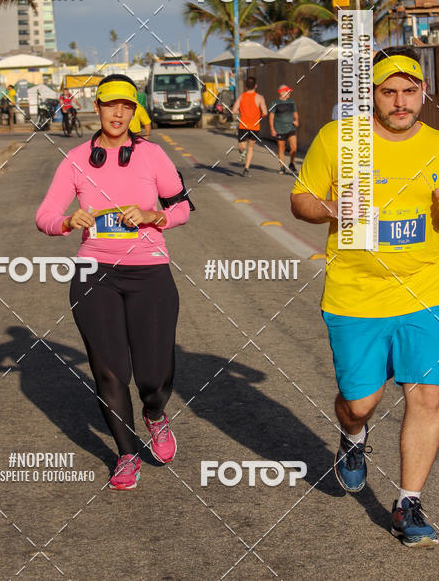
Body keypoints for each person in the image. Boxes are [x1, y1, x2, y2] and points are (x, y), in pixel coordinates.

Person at [291, 46, 439, 547]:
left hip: (427, 288)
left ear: (424, 92)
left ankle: (408, 503)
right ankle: (353, 437)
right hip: (356, 293)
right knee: (360, 403)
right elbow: (301, 200)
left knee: (427, 396)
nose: (401, 102)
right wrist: (331, 209)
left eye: (410, 90)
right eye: (389, 92)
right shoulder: (341, 139)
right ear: (373, 96)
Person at [36, 73, 193, 490]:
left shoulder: (152, 156)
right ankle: (126, 453)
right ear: (98, 107)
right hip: (94, 272)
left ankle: (155, 414)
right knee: (109, 371)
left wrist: (154, 215)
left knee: (153, 376)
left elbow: (182, 207)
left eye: (126, 105)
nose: (118, 112)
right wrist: (68, 221)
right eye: (110, 104)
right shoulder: (75, 159)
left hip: (149, 270)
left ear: (134, 109)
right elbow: (45, 215)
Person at [231, 76, 267, 175]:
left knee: (241, 146)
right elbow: (264, 112)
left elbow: (234, 111)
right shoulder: (260, 97)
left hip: (243, 126)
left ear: (246, 86)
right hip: (255, 127)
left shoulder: (241, 97)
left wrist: (239, 111)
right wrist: (259, 116)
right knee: (251, 147)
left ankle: (243, 154)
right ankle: (246, 168)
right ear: (256, 86)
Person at [268, 84, 299, 175]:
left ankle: (291, 164)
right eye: (288, 91)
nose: (289, 93)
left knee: (294, 148)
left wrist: (296, 120)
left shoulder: (292, 101)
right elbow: (271, 117)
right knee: (282, 148)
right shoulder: (274, 103)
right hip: (279, 129)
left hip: (291, 127)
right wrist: (272, 129)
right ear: (282, 92)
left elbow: (295, 112)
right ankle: (282, 167)